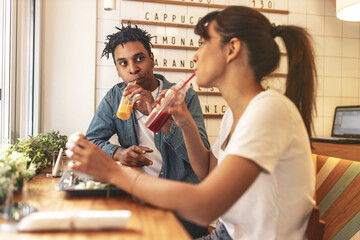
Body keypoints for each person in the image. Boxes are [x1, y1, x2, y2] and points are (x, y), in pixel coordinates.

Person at [67, 6, 317, 239]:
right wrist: (185, 123)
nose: (195, 56)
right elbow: (207, 171)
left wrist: (114, 172)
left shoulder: (269, 109)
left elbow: (205, 207)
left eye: (203, 43)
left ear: (232, 49)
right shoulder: (235, 114)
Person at [85, 23, 210, 238]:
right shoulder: (115, 98)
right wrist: (119, 153)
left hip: (183, 208)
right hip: (139, 200)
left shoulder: (183, 96)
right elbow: (91, 141)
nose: (133, 68)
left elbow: (203, 155)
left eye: (139, 58)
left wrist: (158, 114)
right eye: (123, 63)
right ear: (117, 69)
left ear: (152, 58)